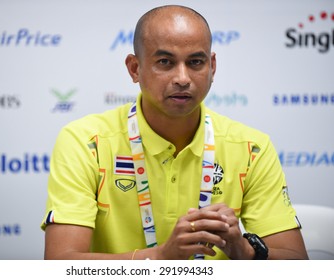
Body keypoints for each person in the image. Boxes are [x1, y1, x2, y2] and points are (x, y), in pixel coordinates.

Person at [41, 5, 308, 260]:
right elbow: (61, 262)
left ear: (212, 67)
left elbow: (297, 263)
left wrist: (244, 250)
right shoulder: (86, 142)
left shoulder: (252, 148)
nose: (182, 77)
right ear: (135, 68)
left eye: (195, 62)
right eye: (165, 62)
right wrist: (159, 258)